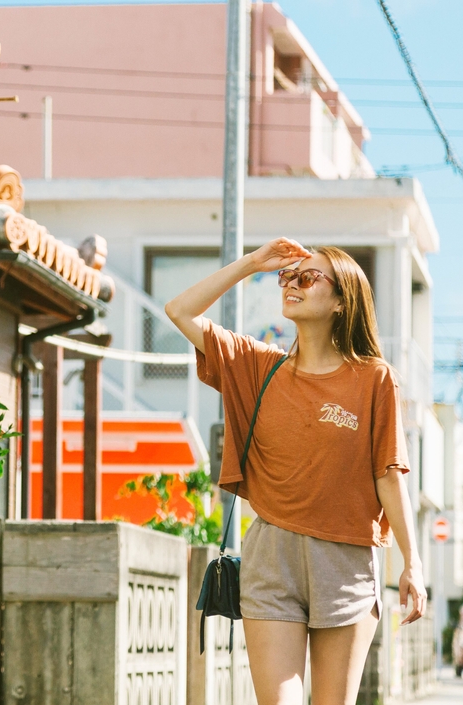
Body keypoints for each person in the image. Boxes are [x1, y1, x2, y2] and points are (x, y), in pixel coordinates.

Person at [165, 238, 426, 705]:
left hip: (345, 562)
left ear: (342, 300)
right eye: (288, 278)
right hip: (271, 556)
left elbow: (389, 475)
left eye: (308, 278)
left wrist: (413, 562)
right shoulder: (258, 366)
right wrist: (252, 264)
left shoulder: (374, 379)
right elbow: (180, 310)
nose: (292, 285)